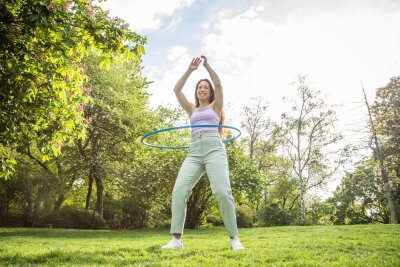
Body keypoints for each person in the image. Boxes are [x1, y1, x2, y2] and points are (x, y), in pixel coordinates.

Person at [161, 56, 244, 250]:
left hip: (214, 148)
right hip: (194, 151)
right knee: (179, 190)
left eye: (206, 87)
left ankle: (234, 238)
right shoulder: (191, 109)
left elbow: (219, 83)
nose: (202, 89)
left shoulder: (216, 107)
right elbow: (176, 90)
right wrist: (190, 70)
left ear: (210, 92)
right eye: (200, 87)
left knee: (222, 192)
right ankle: (176, 240)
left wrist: (206, 66)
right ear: (196, 91)